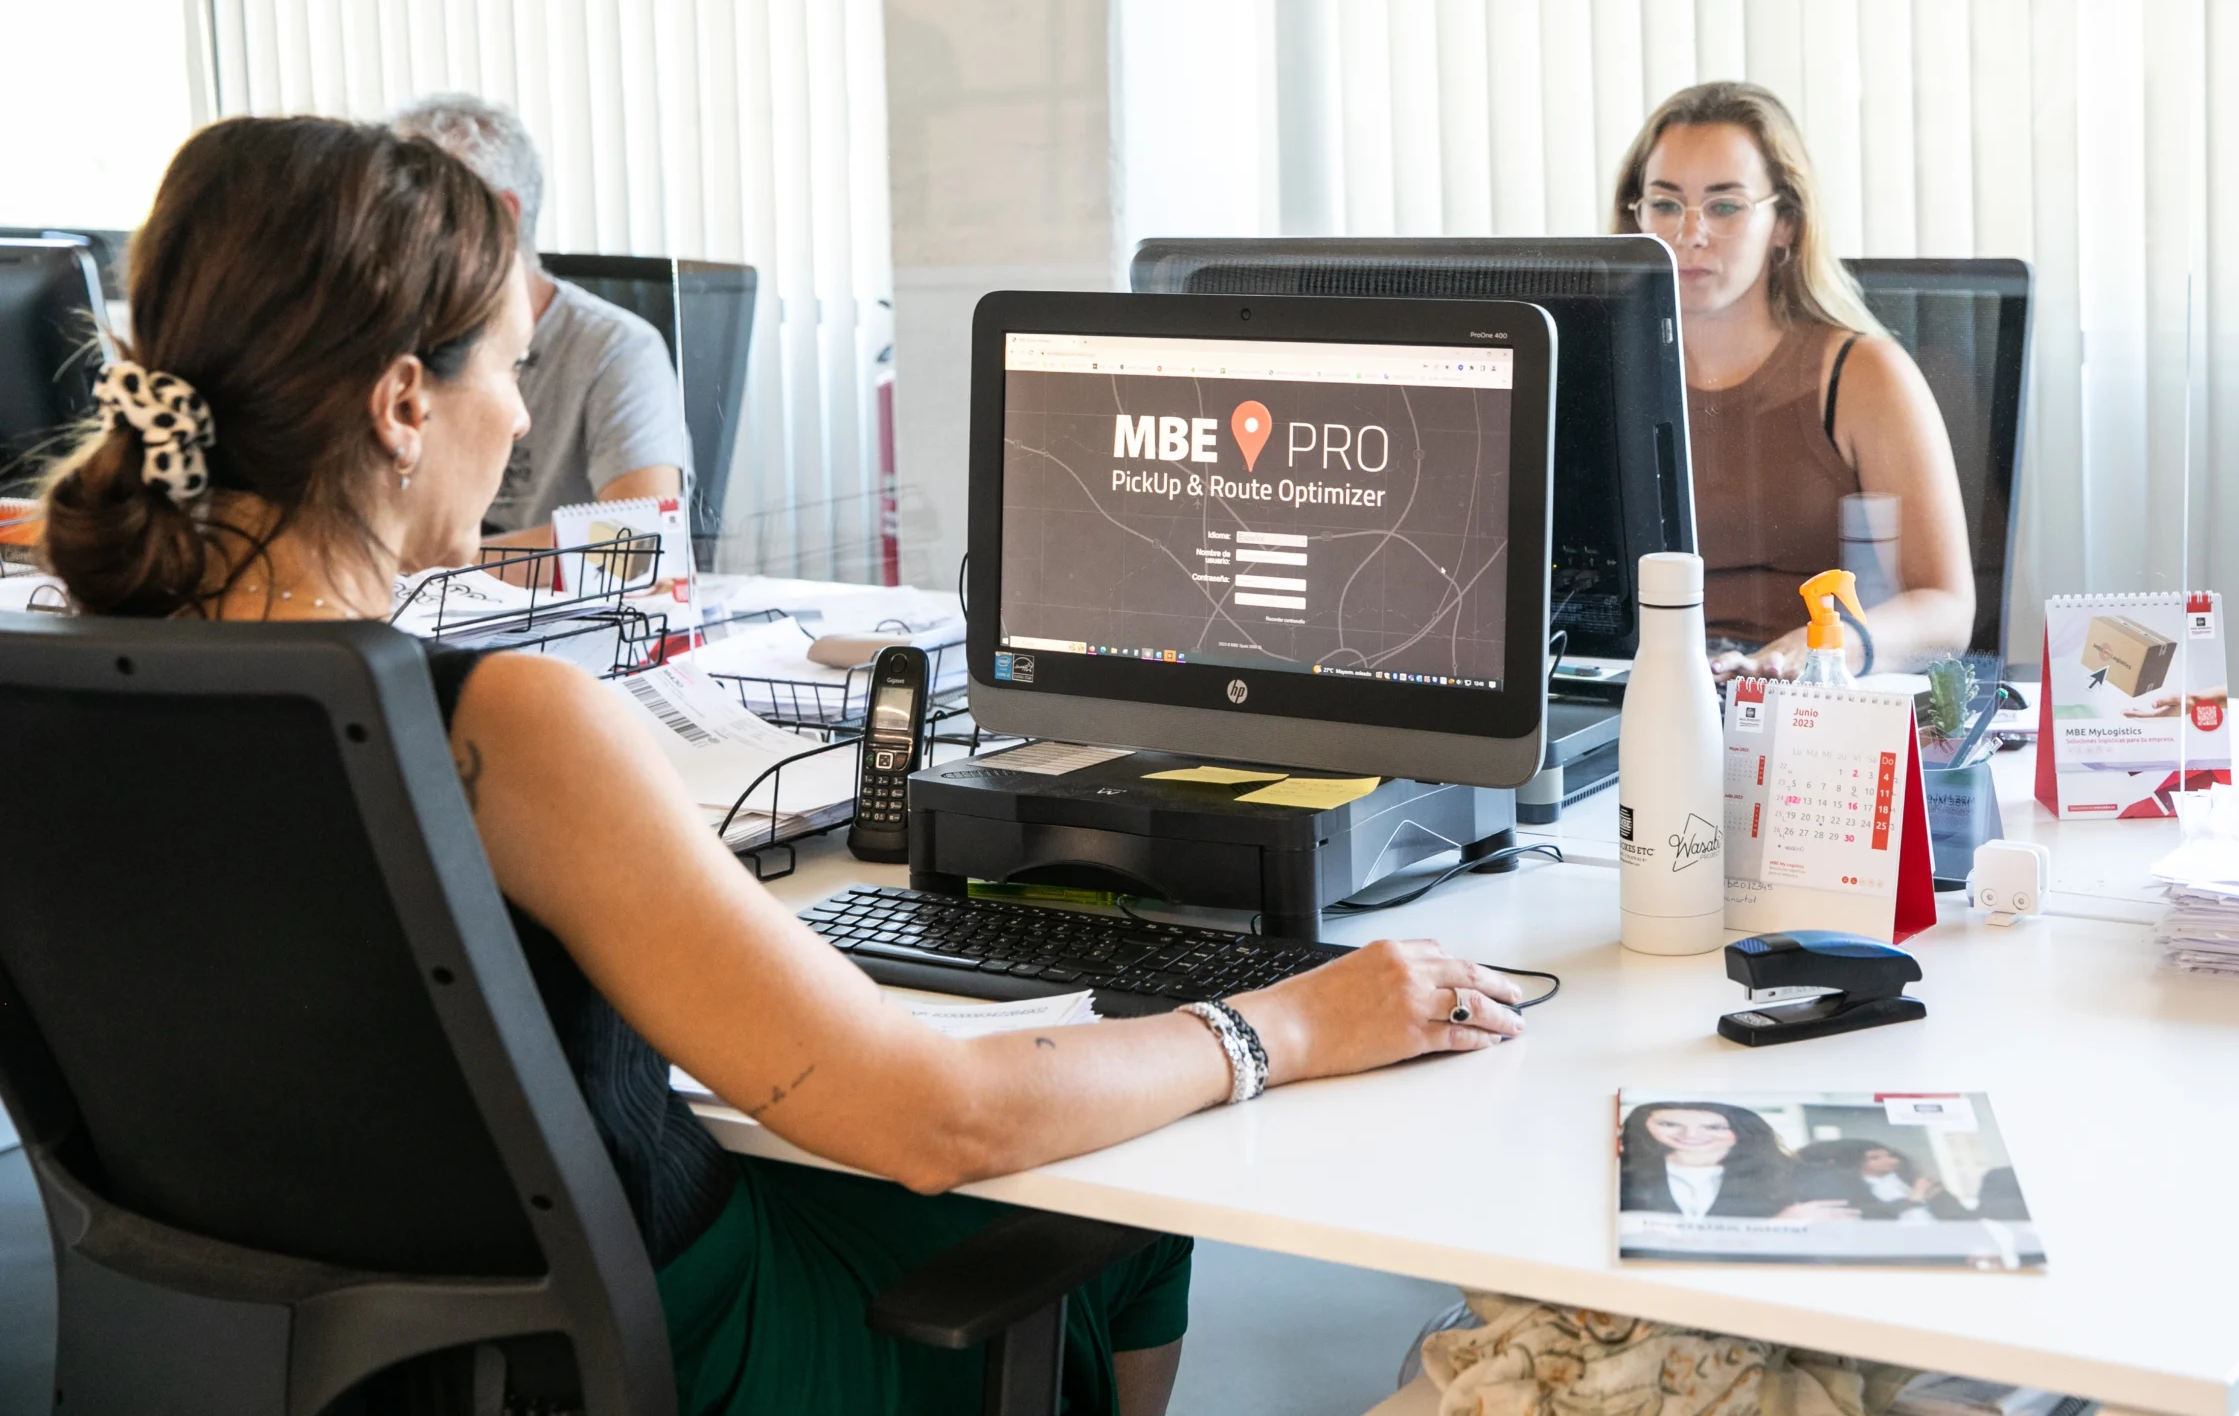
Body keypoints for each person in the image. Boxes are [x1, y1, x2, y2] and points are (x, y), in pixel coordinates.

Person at [37, 115, 1528, 1416]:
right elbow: (936, 1116)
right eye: (510, 366)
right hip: (665, 1356)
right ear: (402, 404)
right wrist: (1281, 1022)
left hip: (287, 1355)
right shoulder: (504, 724)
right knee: (1132, 1175)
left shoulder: (60, 691)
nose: (522, 416)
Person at [1609, 82, 1975, 673]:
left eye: (1725, 206)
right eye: (1666, 204)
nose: (1688, 234)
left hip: (1800, 696)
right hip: (1633, 689)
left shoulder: (1863, 376)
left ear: (1785, 224)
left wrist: (1821, 647)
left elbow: (1946, 611)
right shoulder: (1602, 374)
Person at [389, 92, 691, 547]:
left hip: (545, 597)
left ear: (503, 218)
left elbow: (641, 542)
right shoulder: (394, 336)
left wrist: (437, 563)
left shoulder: (617, 347)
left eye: (422, 211)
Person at [1616, 1102, 1859, 1221]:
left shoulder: (1804, 1177)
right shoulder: (1620, 1172)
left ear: (1744, 1131)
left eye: (1714, 1127)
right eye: (1669, 1124)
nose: (1690, 1135)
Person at [1794, 1139, 1975, 1223]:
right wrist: (1913, 1200)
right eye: (1874, 1158)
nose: (1889, 1161)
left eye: (1890, 1156)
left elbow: (1960, 1218)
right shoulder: (1848, 1190)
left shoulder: (1921, 1183)